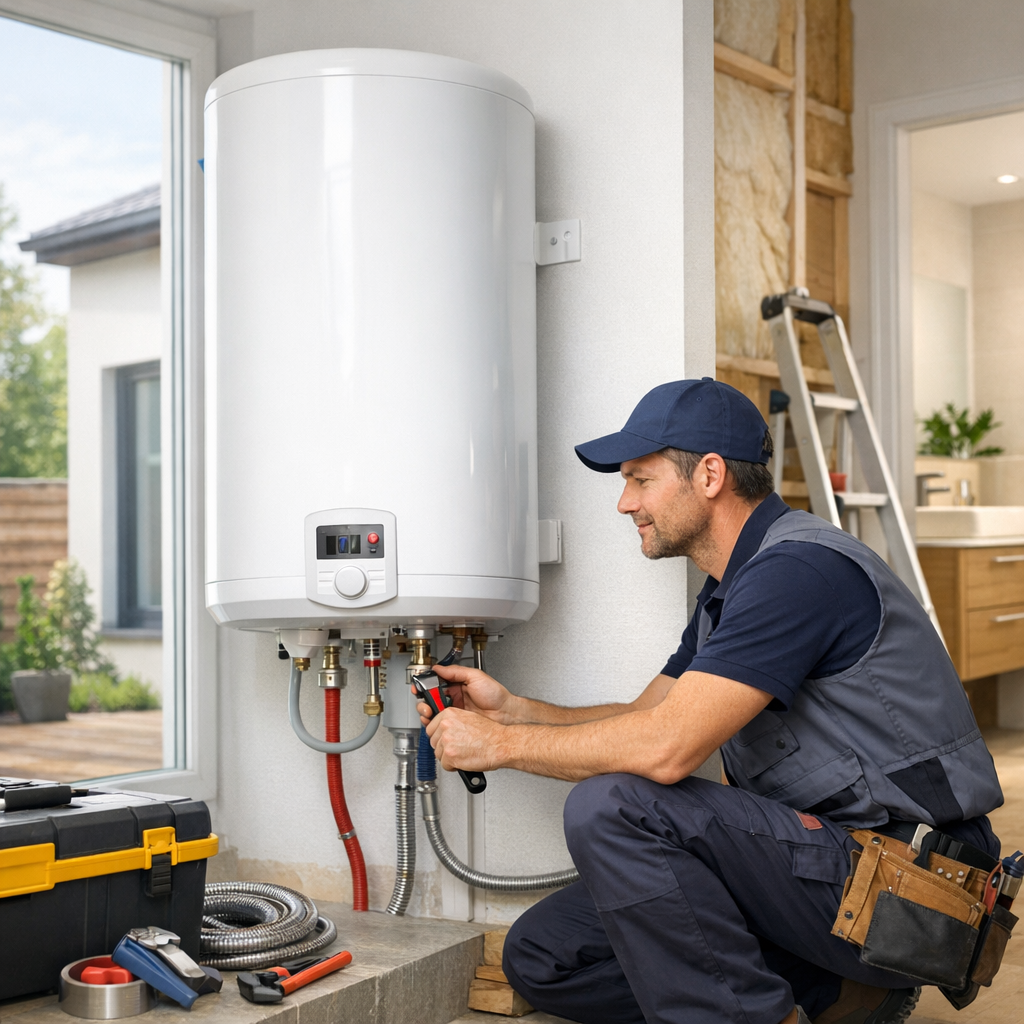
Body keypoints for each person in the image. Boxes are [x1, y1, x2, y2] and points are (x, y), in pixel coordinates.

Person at [417, 378, 1004, 1024]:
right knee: (543, 956)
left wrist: (500, 748)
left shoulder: (796, 574)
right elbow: (650, 716)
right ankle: (836, 992)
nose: (623, 502)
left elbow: (666, 750)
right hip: (831, 874)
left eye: (640, 480)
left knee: (610, 806)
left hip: (913, 893)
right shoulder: (731, 589)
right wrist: (513, 711)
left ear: (711, 476)